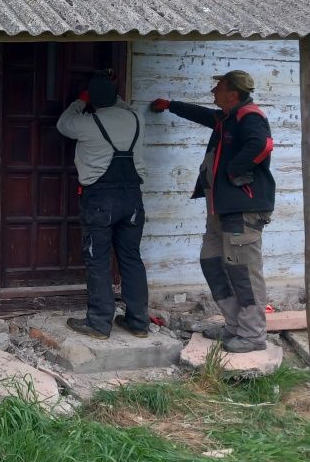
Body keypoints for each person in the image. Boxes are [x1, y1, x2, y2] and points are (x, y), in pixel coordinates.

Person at [150, 70, 274, 353]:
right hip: (221, 210)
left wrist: (233, 171)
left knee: (243, 271)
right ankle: (234, 326)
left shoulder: (249, 116)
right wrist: (171, 105)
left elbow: (263, 144)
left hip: (243, 208)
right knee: (213, 263)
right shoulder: (227, 118)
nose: (213, 91)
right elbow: (203, 115)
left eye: (218, 87)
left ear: (233, 93)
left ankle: (253, 335)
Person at [57, 70, 149, 339]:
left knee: (97, 259)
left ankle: (99, 323)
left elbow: (63, 124)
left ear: (92, 99)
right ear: (115, 97)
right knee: (131, 258)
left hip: (100, 199)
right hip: (132, 198)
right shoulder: (136, 118)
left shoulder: (86, 122)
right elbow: (121, 105)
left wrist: (80, 100)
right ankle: (138, 321)